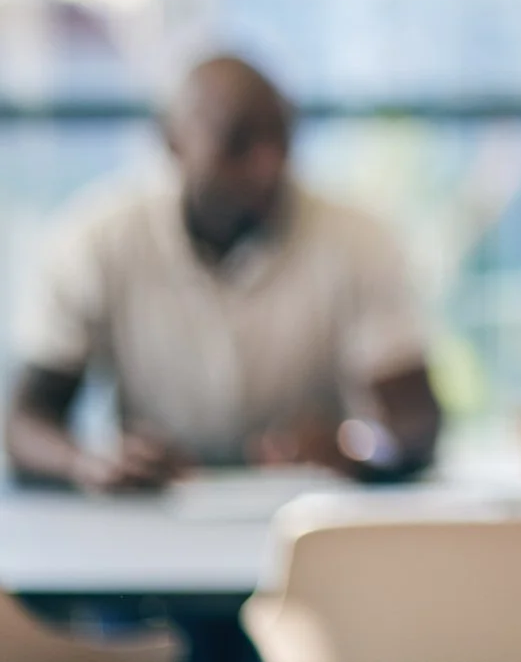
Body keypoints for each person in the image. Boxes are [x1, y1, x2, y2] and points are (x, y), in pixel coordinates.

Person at [6, 54, 441, 490]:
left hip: (309, 517)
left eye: (280, 138)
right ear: (173, 142)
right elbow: (25, 424)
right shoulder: (96, 242)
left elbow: (416, 421)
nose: (265, 164)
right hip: (148, 521)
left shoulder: (358, 241)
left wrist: (357, 448)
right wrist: (86, 461)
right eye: (237, 143)